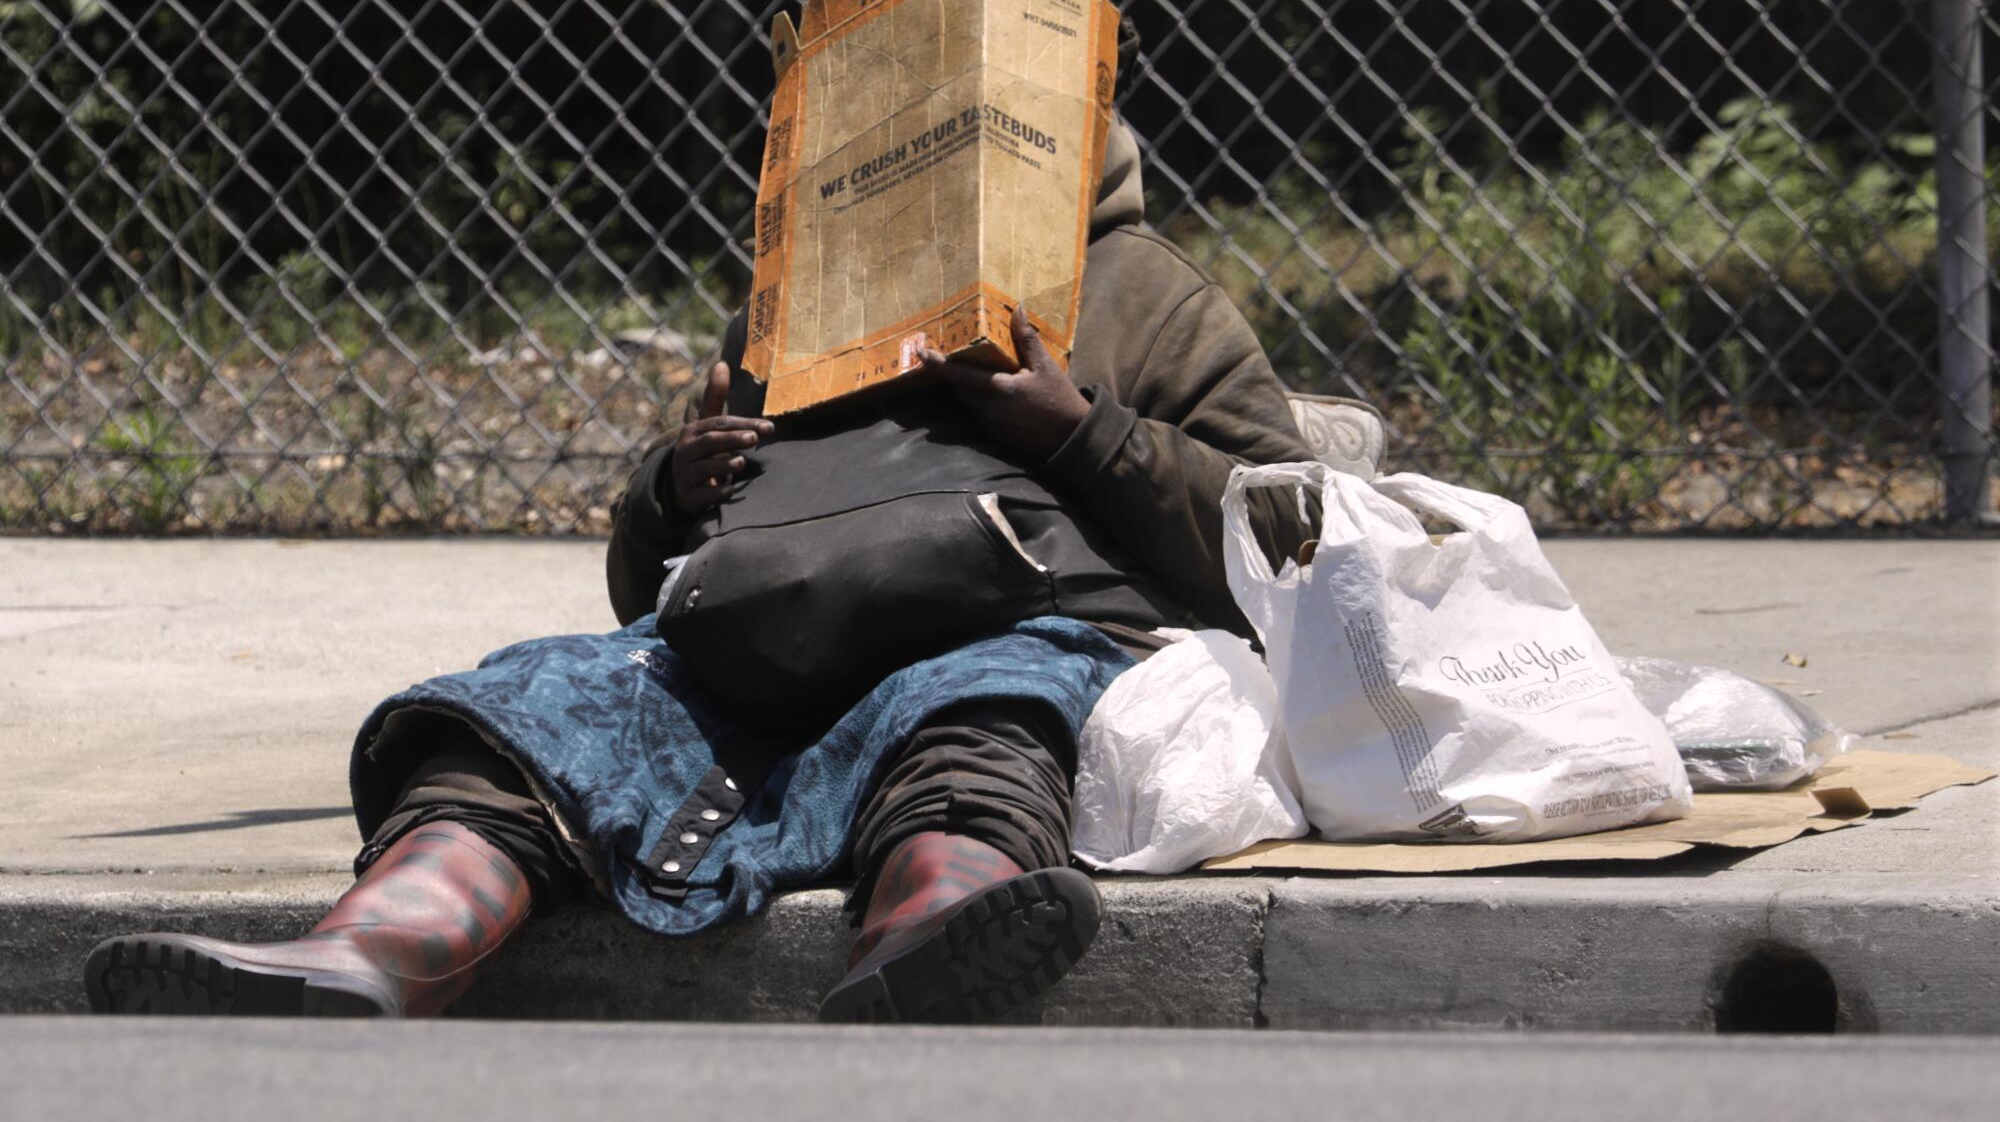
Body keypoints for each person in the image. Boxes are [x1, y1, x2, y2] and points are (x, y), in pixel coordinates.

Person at [83, 117, 1319, 1023]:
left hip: (1002, 628)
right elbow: (656, 585)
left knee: (975, 723)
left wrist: (1077, 431)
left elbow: (1292, 537)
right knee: (528, 708)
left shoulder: (1150, 295)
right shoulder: (801, 305)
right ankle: (369, 953)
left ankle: (933, 938)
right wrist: (671, 489)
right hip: (762, 651)